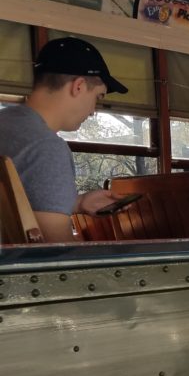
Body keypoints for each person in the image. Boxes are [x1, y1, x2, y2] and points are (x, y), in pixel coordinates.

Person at [0, 37, 129, 242]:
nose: (93, 111)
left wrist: (76, 203)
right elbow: (57, 254)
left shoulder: (6, 123)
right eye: (98, 97)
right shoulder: (47, 148)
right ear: (78, 86)